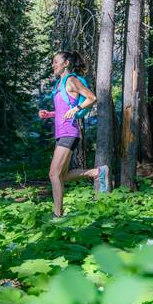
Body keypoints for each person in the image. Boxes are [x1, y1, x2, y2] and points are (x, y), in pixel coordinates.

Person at [39, 51, 109, 217]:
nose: (53, 65)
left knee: (53, 174)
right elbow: (64, 110)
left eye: (56, 62)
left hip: (69, 132)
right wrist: (49, 114)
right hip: (62, 133)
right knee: (61, 176)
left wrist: (77, 108)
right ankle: (97, 173)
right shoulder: (59, 84)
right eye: (53, 62)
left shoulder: (71, 80)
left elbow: (92, 98)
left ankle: (57, 215)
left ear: (66, 63)